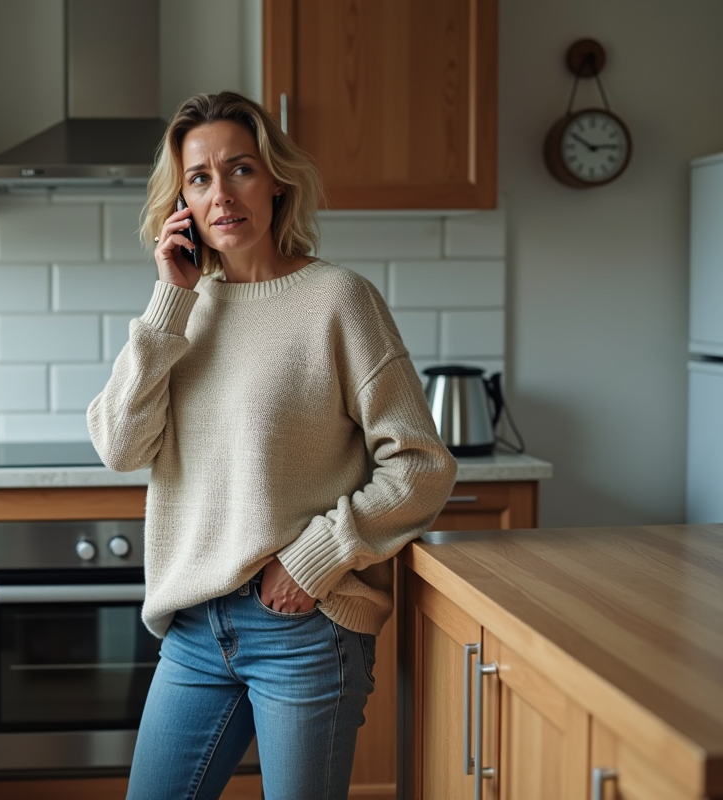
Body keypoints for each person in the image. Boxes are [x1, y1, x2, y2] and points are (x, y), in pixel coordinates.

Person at [86, 91, 459, 800]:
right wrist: (170, 301)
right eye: (199, 178)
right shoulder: (181, 311)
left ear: (277, 180)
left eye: (240, 169)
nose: (221, 194)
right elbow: (119, 445)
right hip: (194, 629)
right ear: (181, 203)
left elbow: (420, 466)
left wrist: (314, 557)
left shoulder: (338, 300)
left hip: (300, 628)